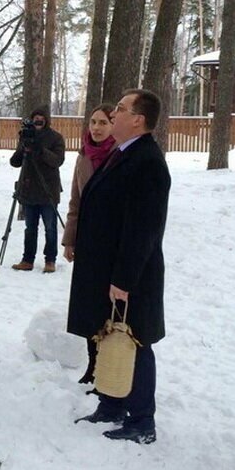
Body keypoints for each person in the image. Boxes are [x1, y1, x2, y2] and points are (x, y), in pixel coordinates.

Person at [68, 89, 170, 444]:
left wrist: (124, 279)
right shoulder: (121, 153)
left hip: (132, 275)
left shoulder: (147, 162)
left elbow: (143, 228)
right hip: (106, 269)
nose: (114, 113)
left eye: (122, 109)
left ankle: (142, 420)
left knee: (134, 342)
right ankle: (111, 404)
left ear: (138, 119)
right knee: (108, 334)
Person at [61, 103, 116, 384]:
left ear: (113, 125)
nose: (96, 128)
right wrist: (69, 240)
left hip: (111, 244)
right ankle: (92, 364)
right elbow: (75, 201)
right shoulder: (83, 156)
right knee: (88, 308)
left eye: (103, 123)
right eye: (93, 122)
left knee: (109, 310)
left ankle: (109, 366)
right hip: (86, 244)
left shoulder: (120, 156)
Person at [10, 106, 65, 273]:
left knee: (50, 228)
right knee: (30, 228)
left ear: (46, 120)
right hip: (29, 189)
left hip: (48, 189)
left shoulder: (56, 138)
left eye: (41, 118)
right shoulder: (26, 136)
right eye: (35, 118)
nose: (38, 121)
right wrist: (23, 146)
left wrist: (41, 149)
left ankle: (50, 260)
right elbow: (15, 162)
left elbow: (57, 160)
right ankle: (27, 259)